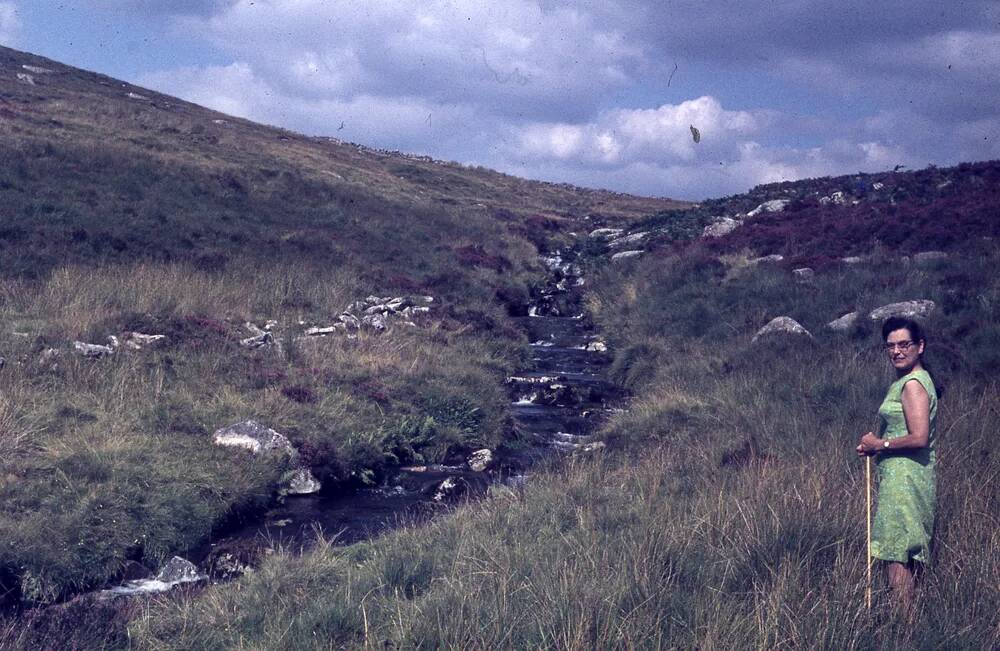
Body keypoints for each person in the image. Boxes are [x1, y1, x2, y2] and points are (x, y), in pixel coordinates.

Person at [856, 316, 939, 610]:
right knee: (903, 549)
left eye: (904, 344)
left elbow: (919, 437)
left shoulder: (913, 385)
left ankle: (903, 632)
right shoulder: (908, 381)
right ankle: (908, 626)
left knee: (896, 549)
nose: (897, 351)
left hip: (904, 479)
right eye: (890, 346)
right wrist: (877, 448)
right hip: (903, 475)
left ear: (920, 346)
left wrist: (880, 444)